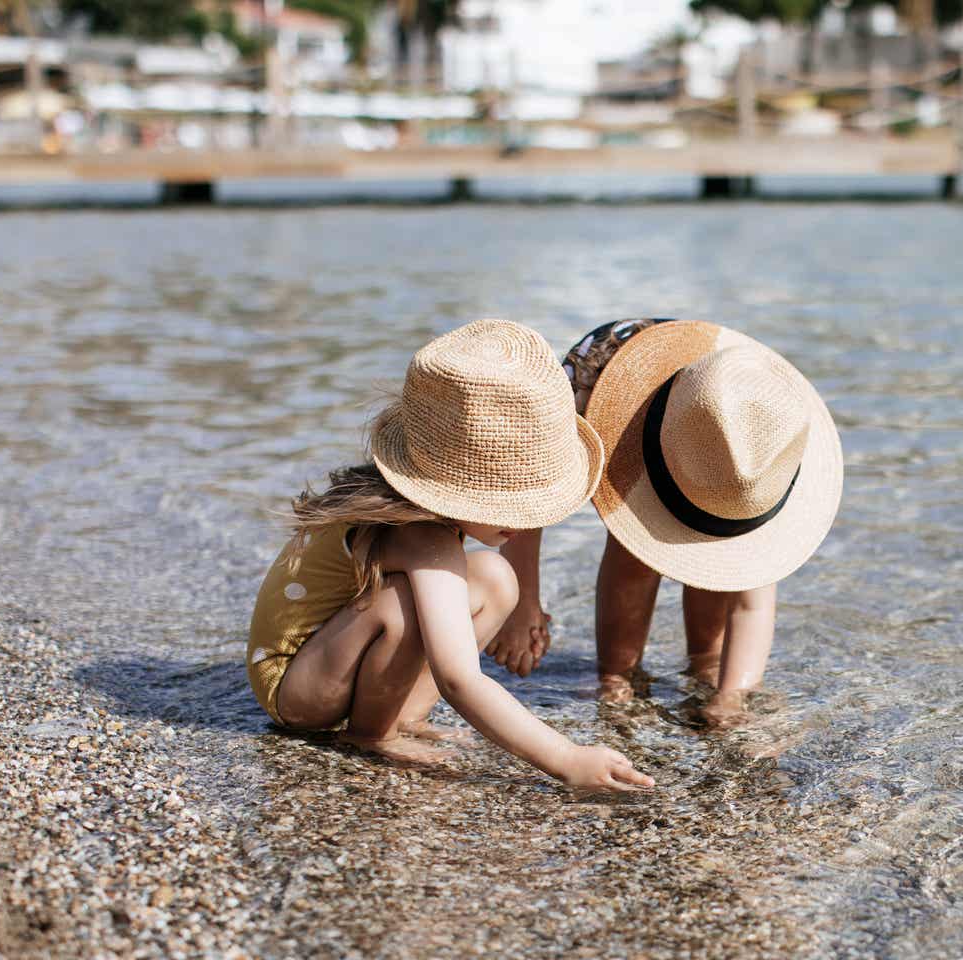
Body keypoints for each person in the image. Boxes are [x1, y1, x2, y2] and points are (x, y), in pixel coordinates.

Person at [245, 319, 654, 793]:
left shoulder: (426, 521)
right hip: (297, 689)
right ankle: (370, 736)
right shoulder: (420, 535)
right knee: (404, 608)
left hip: (328, 657)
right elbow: (460, 678)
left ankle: (402, 716)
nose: (524, 525)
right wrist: (566, 758)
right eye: (512, 502)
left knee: (494, 577)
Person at [488, 319, 843, 725]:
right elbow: (531, 498)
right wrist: (523, 603)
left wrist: (733, 695)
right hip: (632, 402)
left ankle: (705, 662)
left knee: (720, 559)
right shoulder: (581, 397)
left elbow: (752, 606)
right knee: (634, 558)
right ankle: (616, 672)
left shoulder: (764, 449)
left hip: (719, 428)